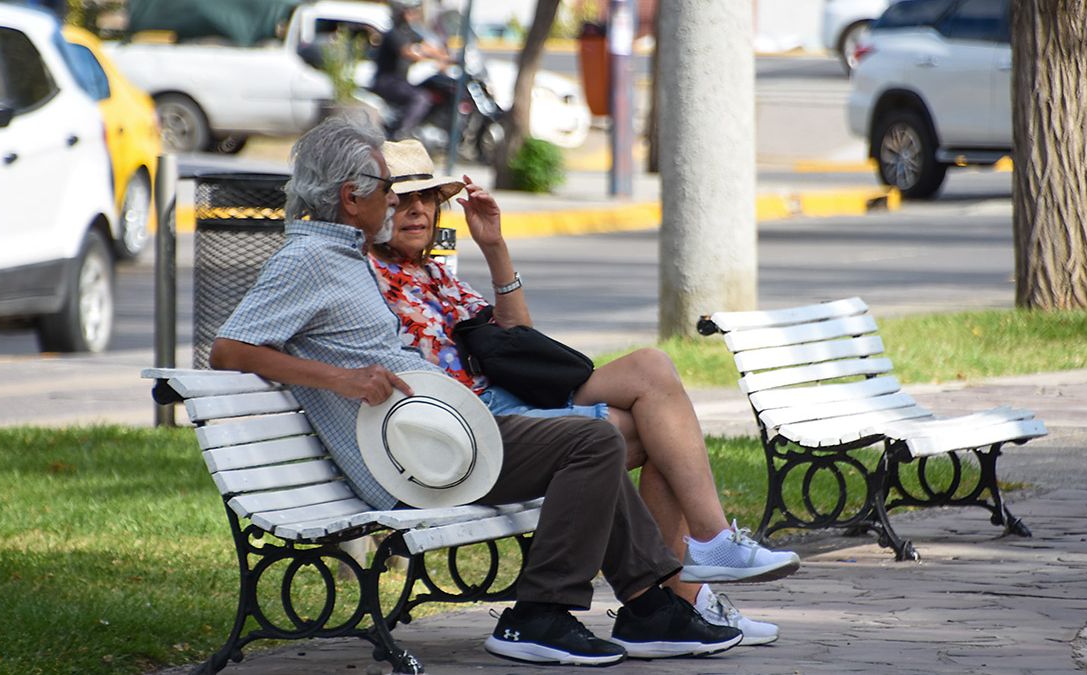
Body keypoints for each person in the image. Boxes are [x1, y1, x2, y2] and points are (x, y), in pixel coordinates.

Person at [208, 117, 748, 666]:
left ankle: (647, 608)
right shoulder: (308, 260)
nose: (397, 203)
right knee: (590, 443)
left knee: (593, 441)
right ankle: (542, 615)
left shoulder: (344, 256)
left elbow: (506, 337)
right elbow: (228, 351)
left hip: (435, 437)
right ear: (352, 197)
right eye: (388, 188)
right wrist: (342, 380)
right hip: (408, 458)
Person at [369, 139, 800, 645]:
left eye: (427, 198)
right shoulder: (367, 274)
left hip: (512, 398)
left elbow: (516, 341)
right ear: (375, 206)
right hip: (471, 424)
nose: (417, 209)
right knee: (657, 435)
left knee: (653, 370)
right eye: (402, 199)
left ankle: (694, 575)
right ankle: (683, 593)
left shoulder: (434, 274)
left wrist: (495, 248)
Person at [371, 0, 448, 140]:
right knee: (421, 98)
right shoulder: (393, 33)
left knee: (432, 89)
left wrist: (444, 56)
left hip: (400, 81)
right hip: (387, 81)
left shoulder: (409, 31)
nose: (413, 15)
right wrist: (431, 59)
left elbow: (426, 45)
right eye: (409, 11)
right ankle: (402, 133)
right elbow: (406, 52)